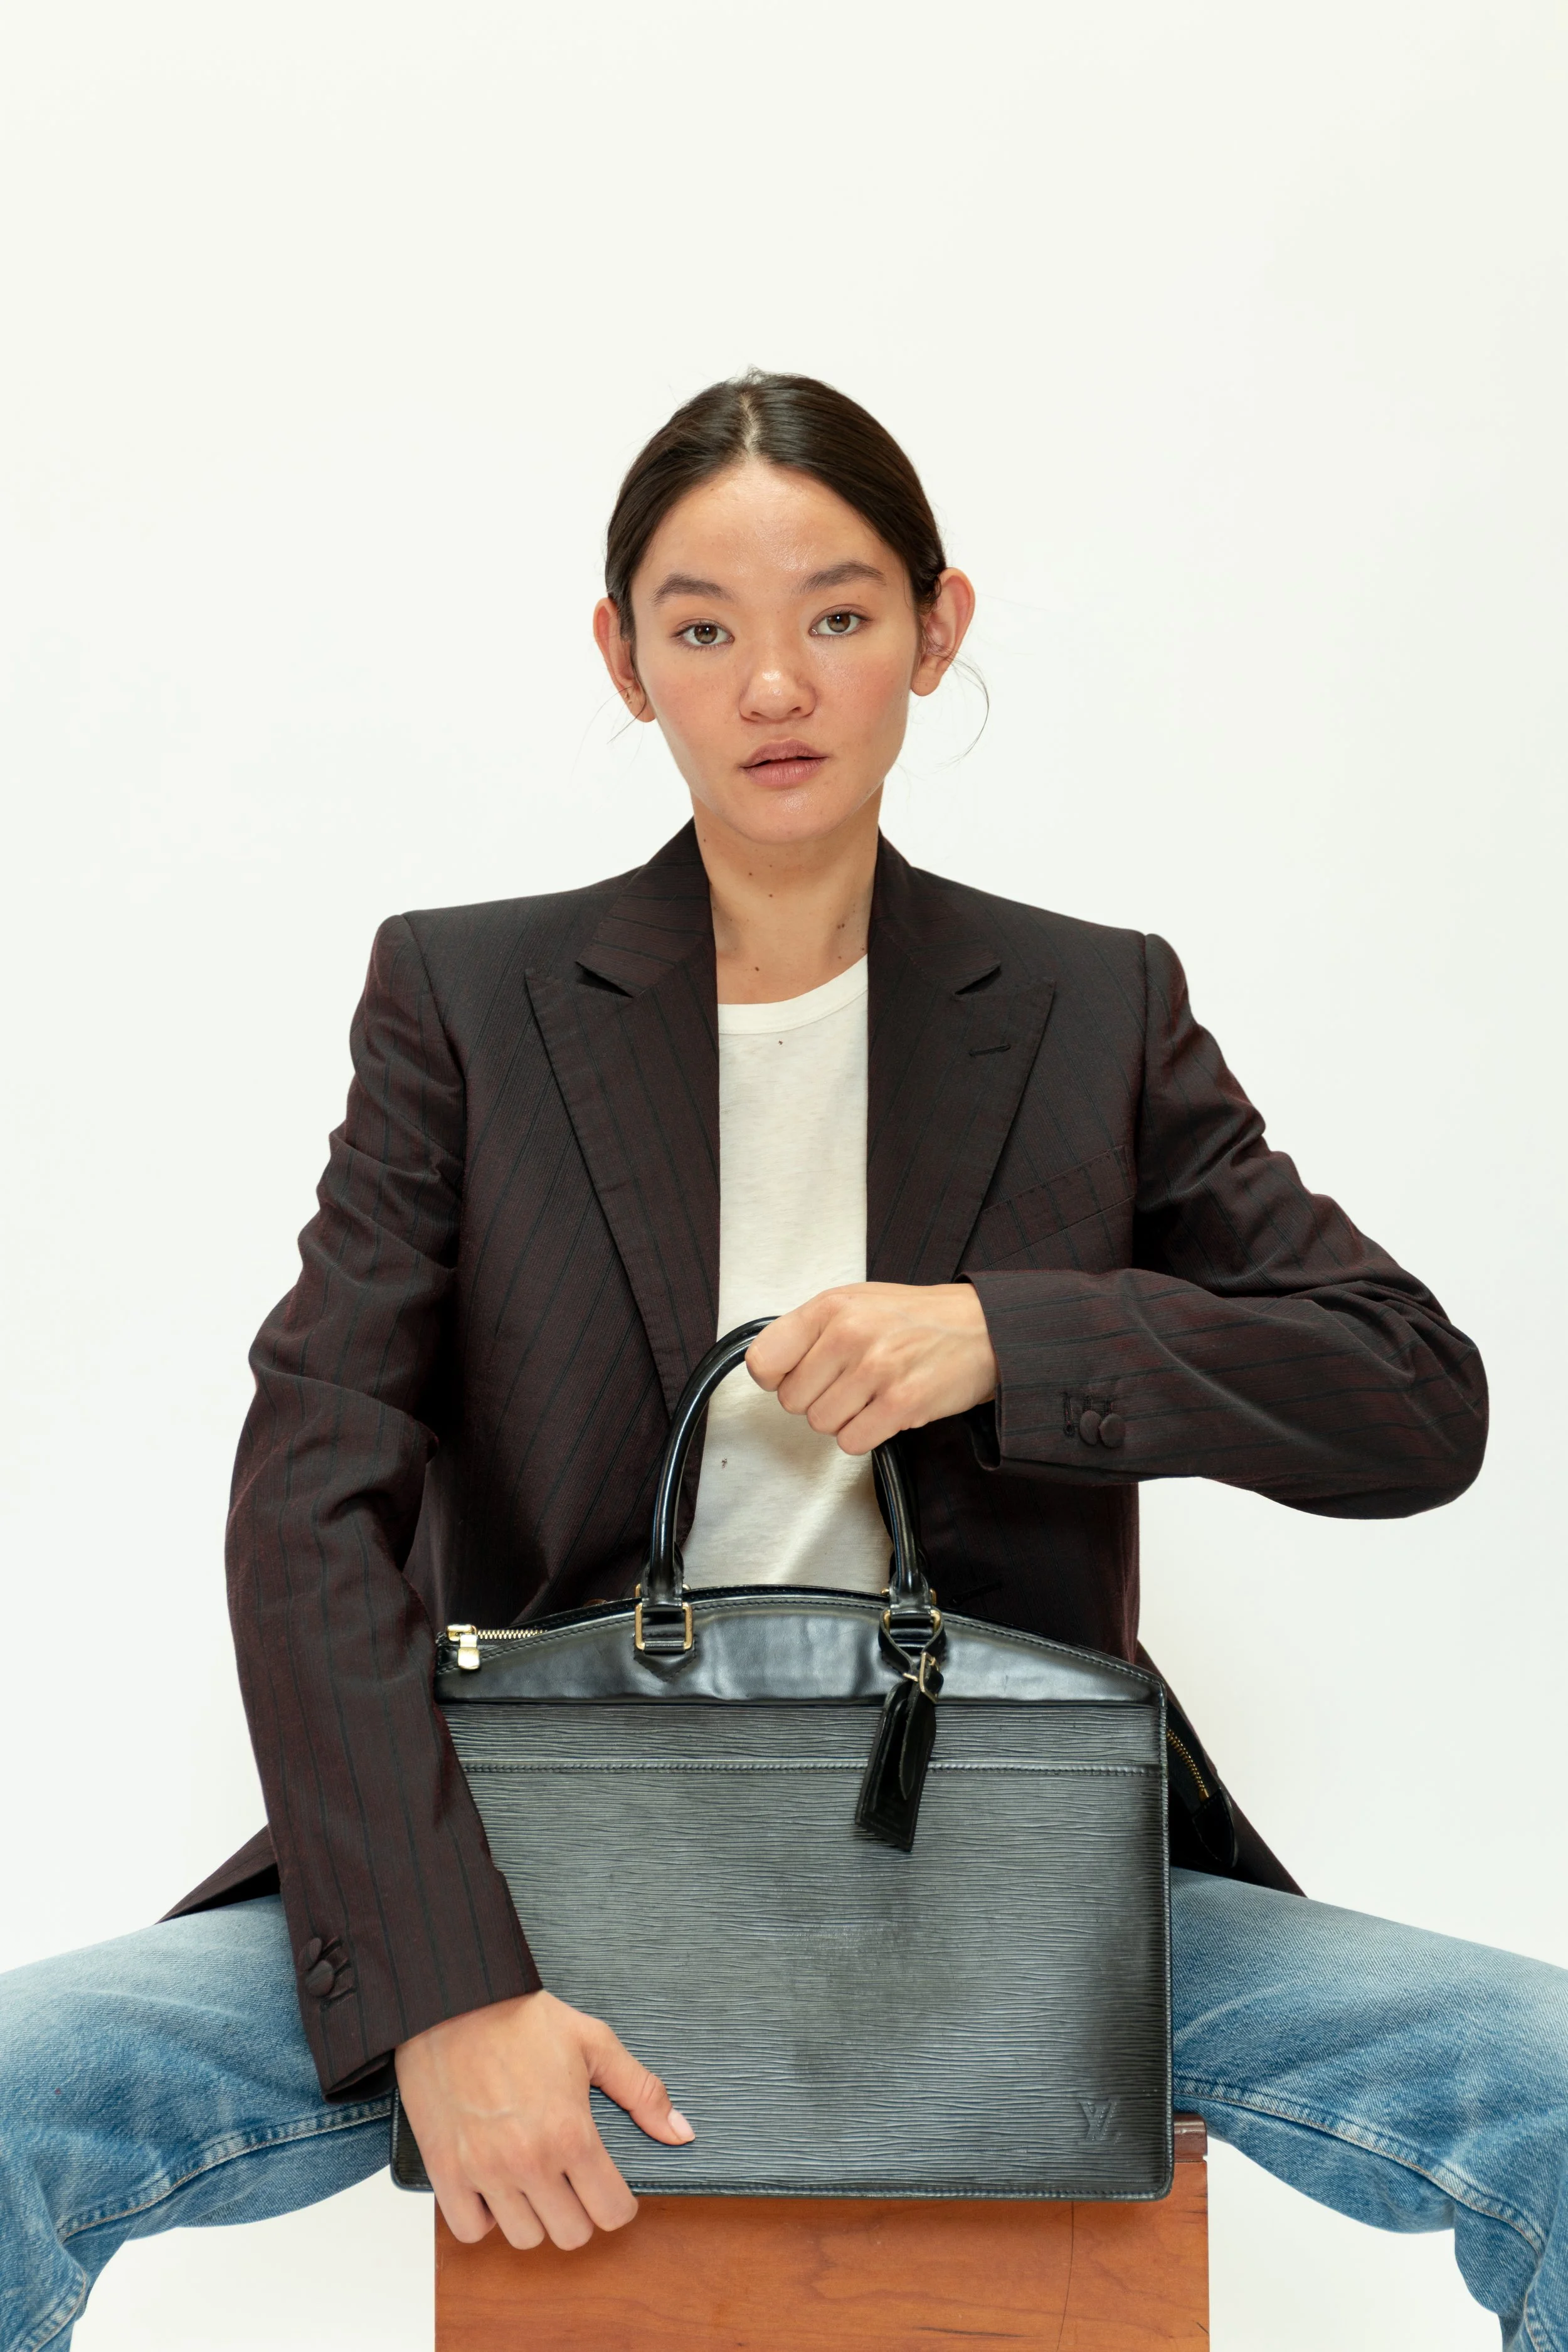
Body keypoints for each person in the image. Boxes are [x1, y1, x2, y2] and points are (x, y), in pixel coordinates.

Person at [0, 369, 1559, 2352]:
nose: (773, 686)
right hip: (528, 1866)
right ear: (622, 655)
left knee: (1554, 2086)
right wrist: (444, 1988)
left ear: (936, 625)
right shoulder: (469, 998)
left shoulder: (1091, 1006)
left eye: (835, 615)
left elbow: (1410, 1393)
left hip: (1017, 1879)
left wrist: (1013, 1334)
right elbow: (311, 1479)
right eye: (701, 625)